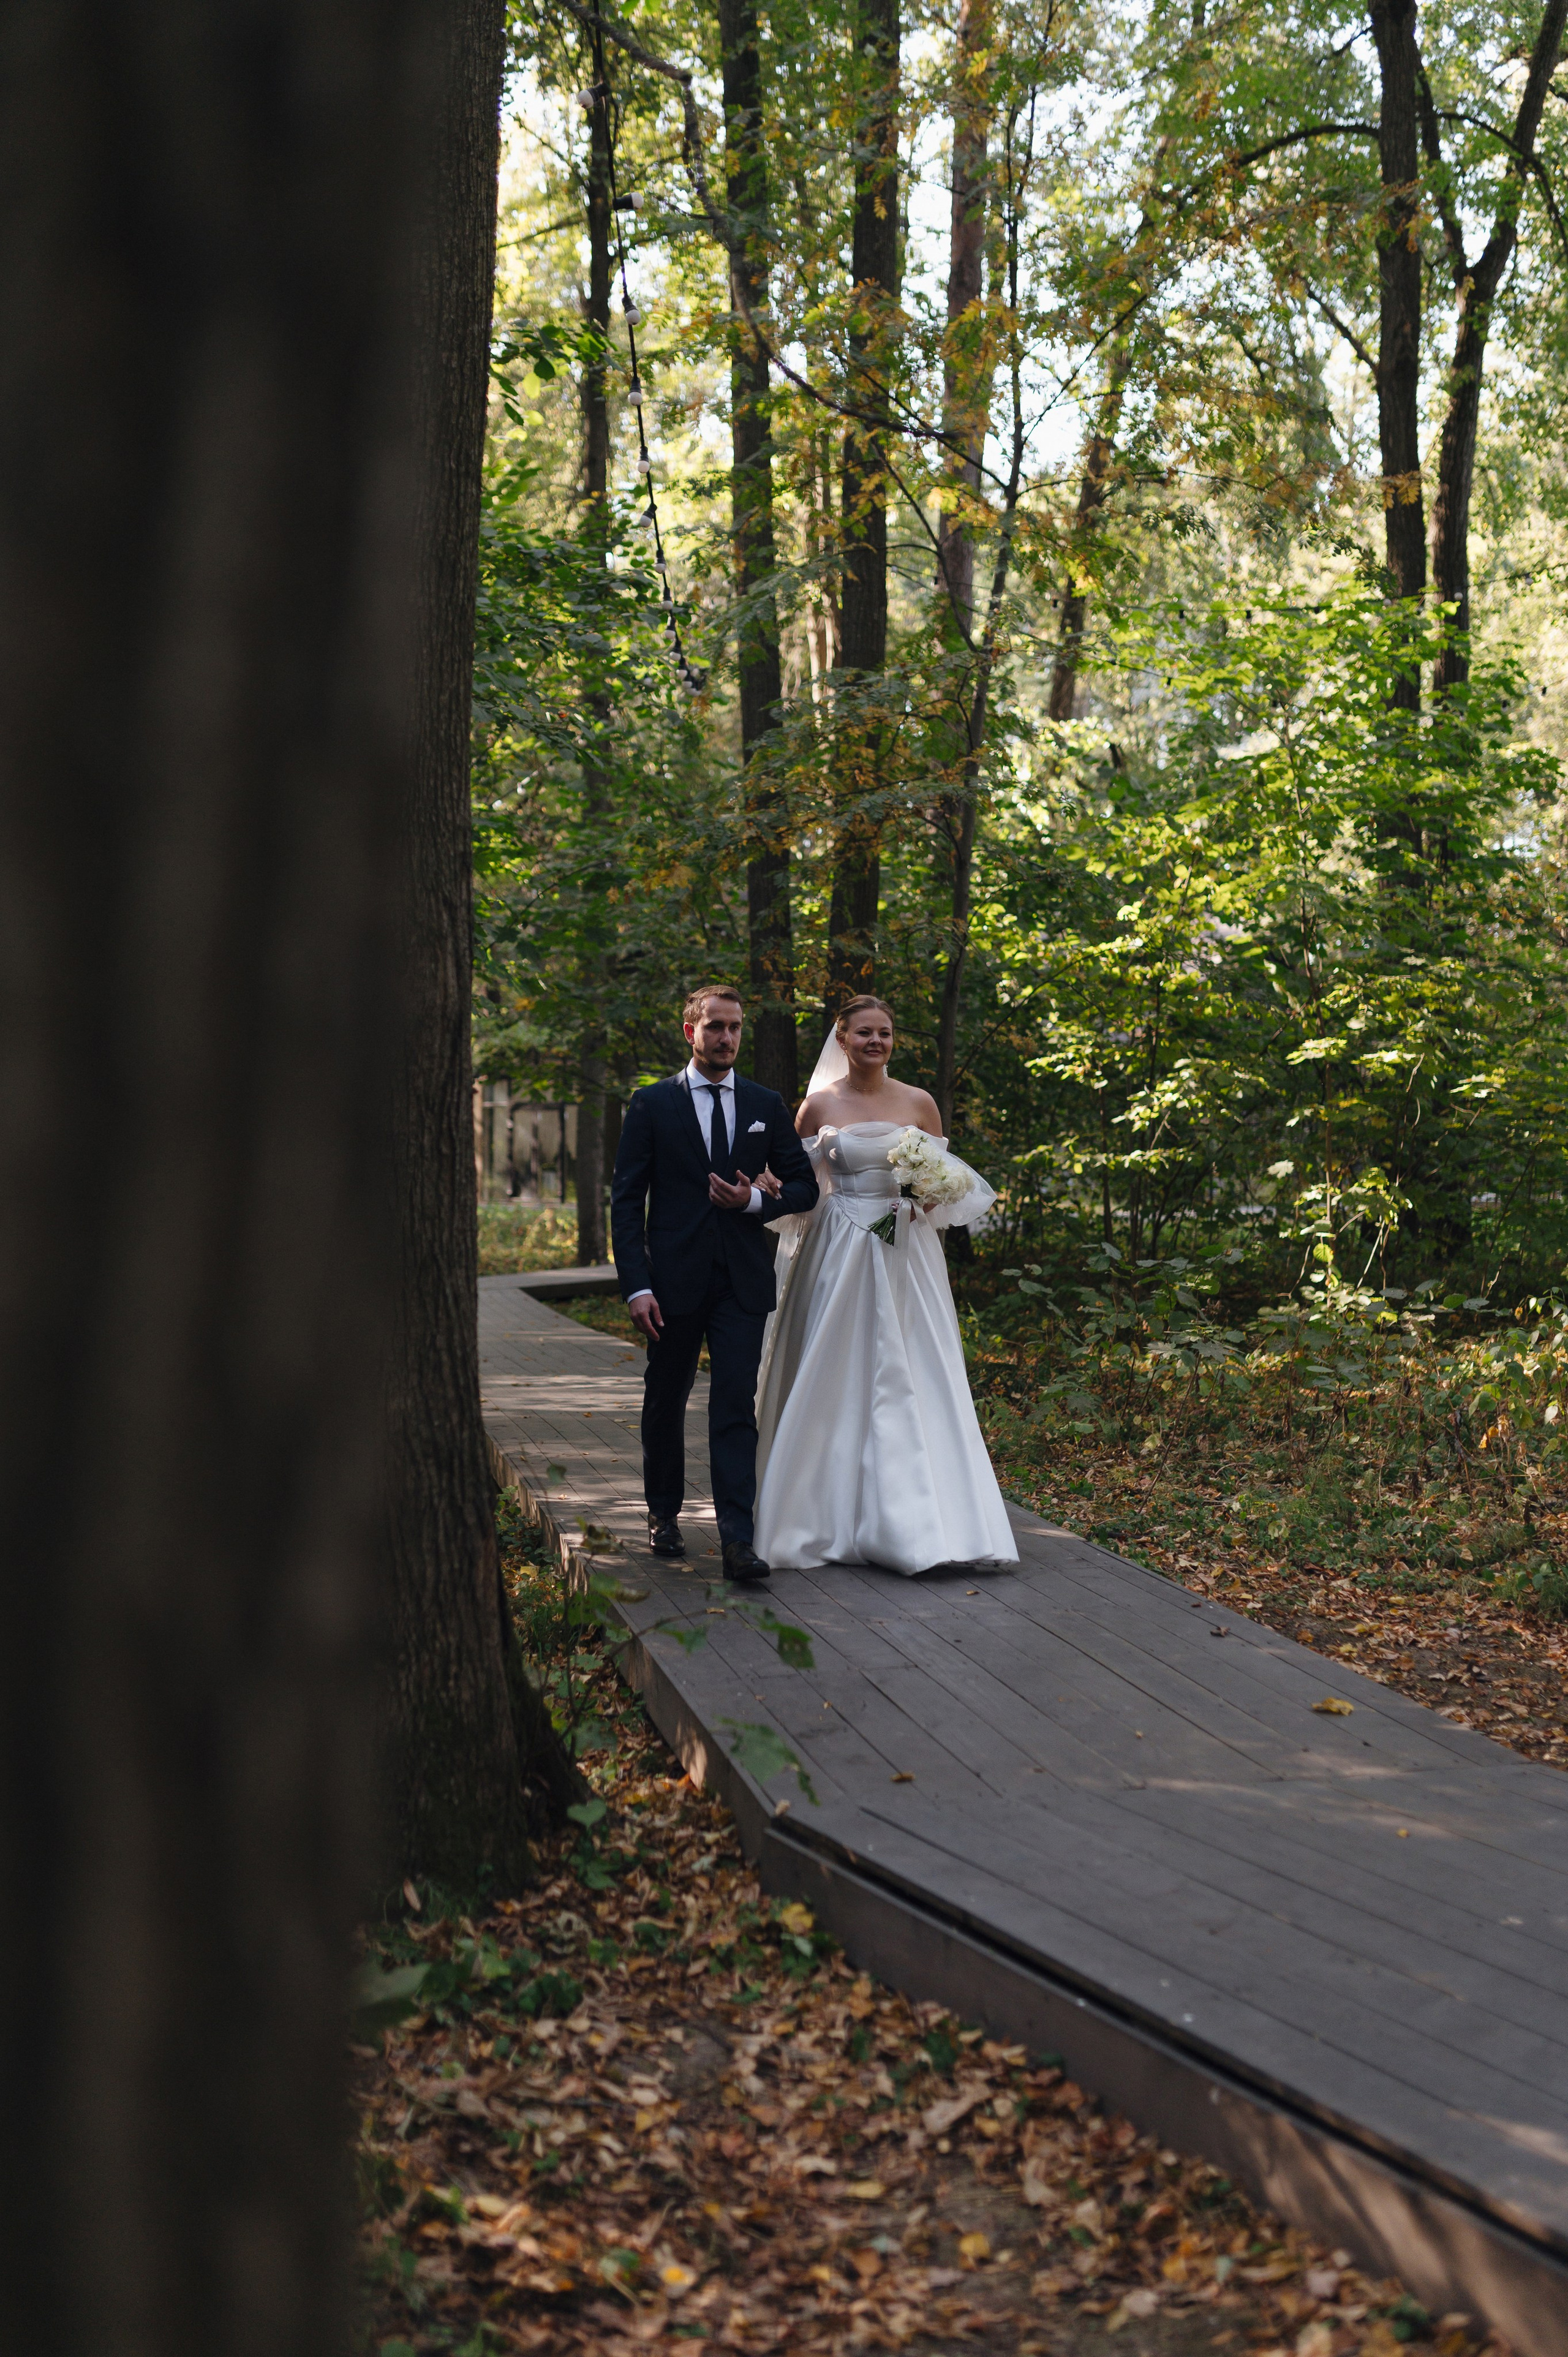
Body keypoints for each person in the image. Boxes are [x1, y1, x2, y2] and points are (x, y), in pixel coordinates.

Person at [752, 995, 1019, 1576]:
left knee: (917, 1369)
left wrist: (927, 1193)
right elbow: (802, 1185)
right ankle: (820, 1515)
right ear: (842, 1039)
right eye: (865, 1033)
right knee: (837, 1368)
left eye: (886, 1033)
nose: (877, 1042)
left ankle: (930, 1519)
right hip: (839, 1246)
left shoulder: (919, 1103)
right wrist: (766, 1186)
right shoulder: (817, 1105)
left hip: (906, 1250)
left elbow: (944, 1183)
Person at [611, 984, 819, 1582]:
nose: (726, 1037)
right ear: (690, 1032)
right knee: (665, 1400)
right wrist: (636, 1285)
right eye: (715, 1027)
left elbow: (803, 1186)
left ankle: (737, 1539)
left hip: (741, 1282)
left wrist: (754, 1198)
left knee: (734, 1406)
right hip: (670, 1284)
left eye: (734, 1027)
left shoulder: (765, 1102)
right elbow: (626, 1202)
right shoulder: (651, 1104)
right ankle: (662, 1512)